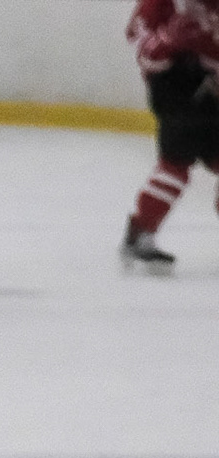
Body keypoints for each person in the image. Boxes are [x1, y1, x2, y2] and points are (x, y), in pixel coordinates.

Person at [122, 0, 219, 273]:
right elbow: (148, 58)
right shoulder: (159, 5)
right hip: (176, 91)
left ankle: (140, 233)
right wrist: (168, 41)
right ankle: (140, 233)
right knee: (175, 167)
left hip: (210, 94)